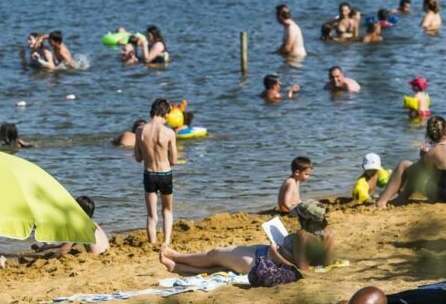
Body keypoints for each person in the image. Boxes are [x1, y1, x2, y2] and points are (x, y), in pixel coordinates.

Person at [160, 201, 334, 281]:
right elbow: (327, 261)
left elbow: (300, 269)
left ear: (304, 219)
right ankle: (178, 266)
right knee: (221, 266)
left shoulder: (303, 235)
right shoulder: (328, 233)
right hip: (262, 257)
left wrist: (277, 252)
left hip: (263, 259)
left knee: (215, 254)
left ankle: (177, 256)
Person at [376, 115, 446, 208]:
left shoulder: (434, 152)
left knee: (404, 165)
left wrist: (424, 157)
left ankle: (381, 202)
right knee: (415, 170)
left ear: (430, 135)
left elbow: (429, 175)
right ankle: (402, 198)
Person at [136, 99, 177, 246]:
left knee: (151, 215)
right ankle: (166, 242)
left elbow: (137, 157)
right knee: (167, 210)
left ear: (151, 112)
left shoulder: (140, 130)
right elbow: (174, 160)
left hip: (149, 174)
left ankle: (152, 243)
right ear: (165, 114)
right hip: (165, 174)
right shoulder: (169, 133)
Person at [18, 195, 110, 262]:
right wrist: (50, 246)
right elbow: (70, 243)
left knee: (55, 256)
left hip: (97, 259)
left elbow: (63, 251)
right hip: (105, 256)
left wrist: (48, 260)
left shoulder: (81, 226)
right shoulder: (93, 224)